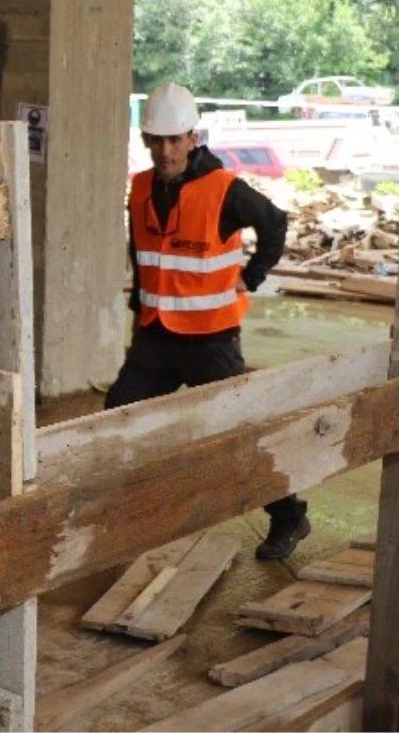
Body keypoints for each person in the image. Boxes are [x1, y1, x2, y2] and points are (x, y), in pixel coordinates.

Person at [106, 83, 301, 559]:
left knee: (242, 432)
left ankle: (290, 516)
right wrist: (140, 318)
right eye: (156, 139)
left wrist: (250, 277)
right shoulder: (140, 186)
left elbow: (274, 222)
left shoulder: (223, 189)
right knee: (117, 419)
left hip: (210, 339)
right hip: (156, 335)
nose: (165, 150)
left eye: (175, 140)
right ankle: (117, 517)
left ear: (193, 138)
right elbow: (143, 256)